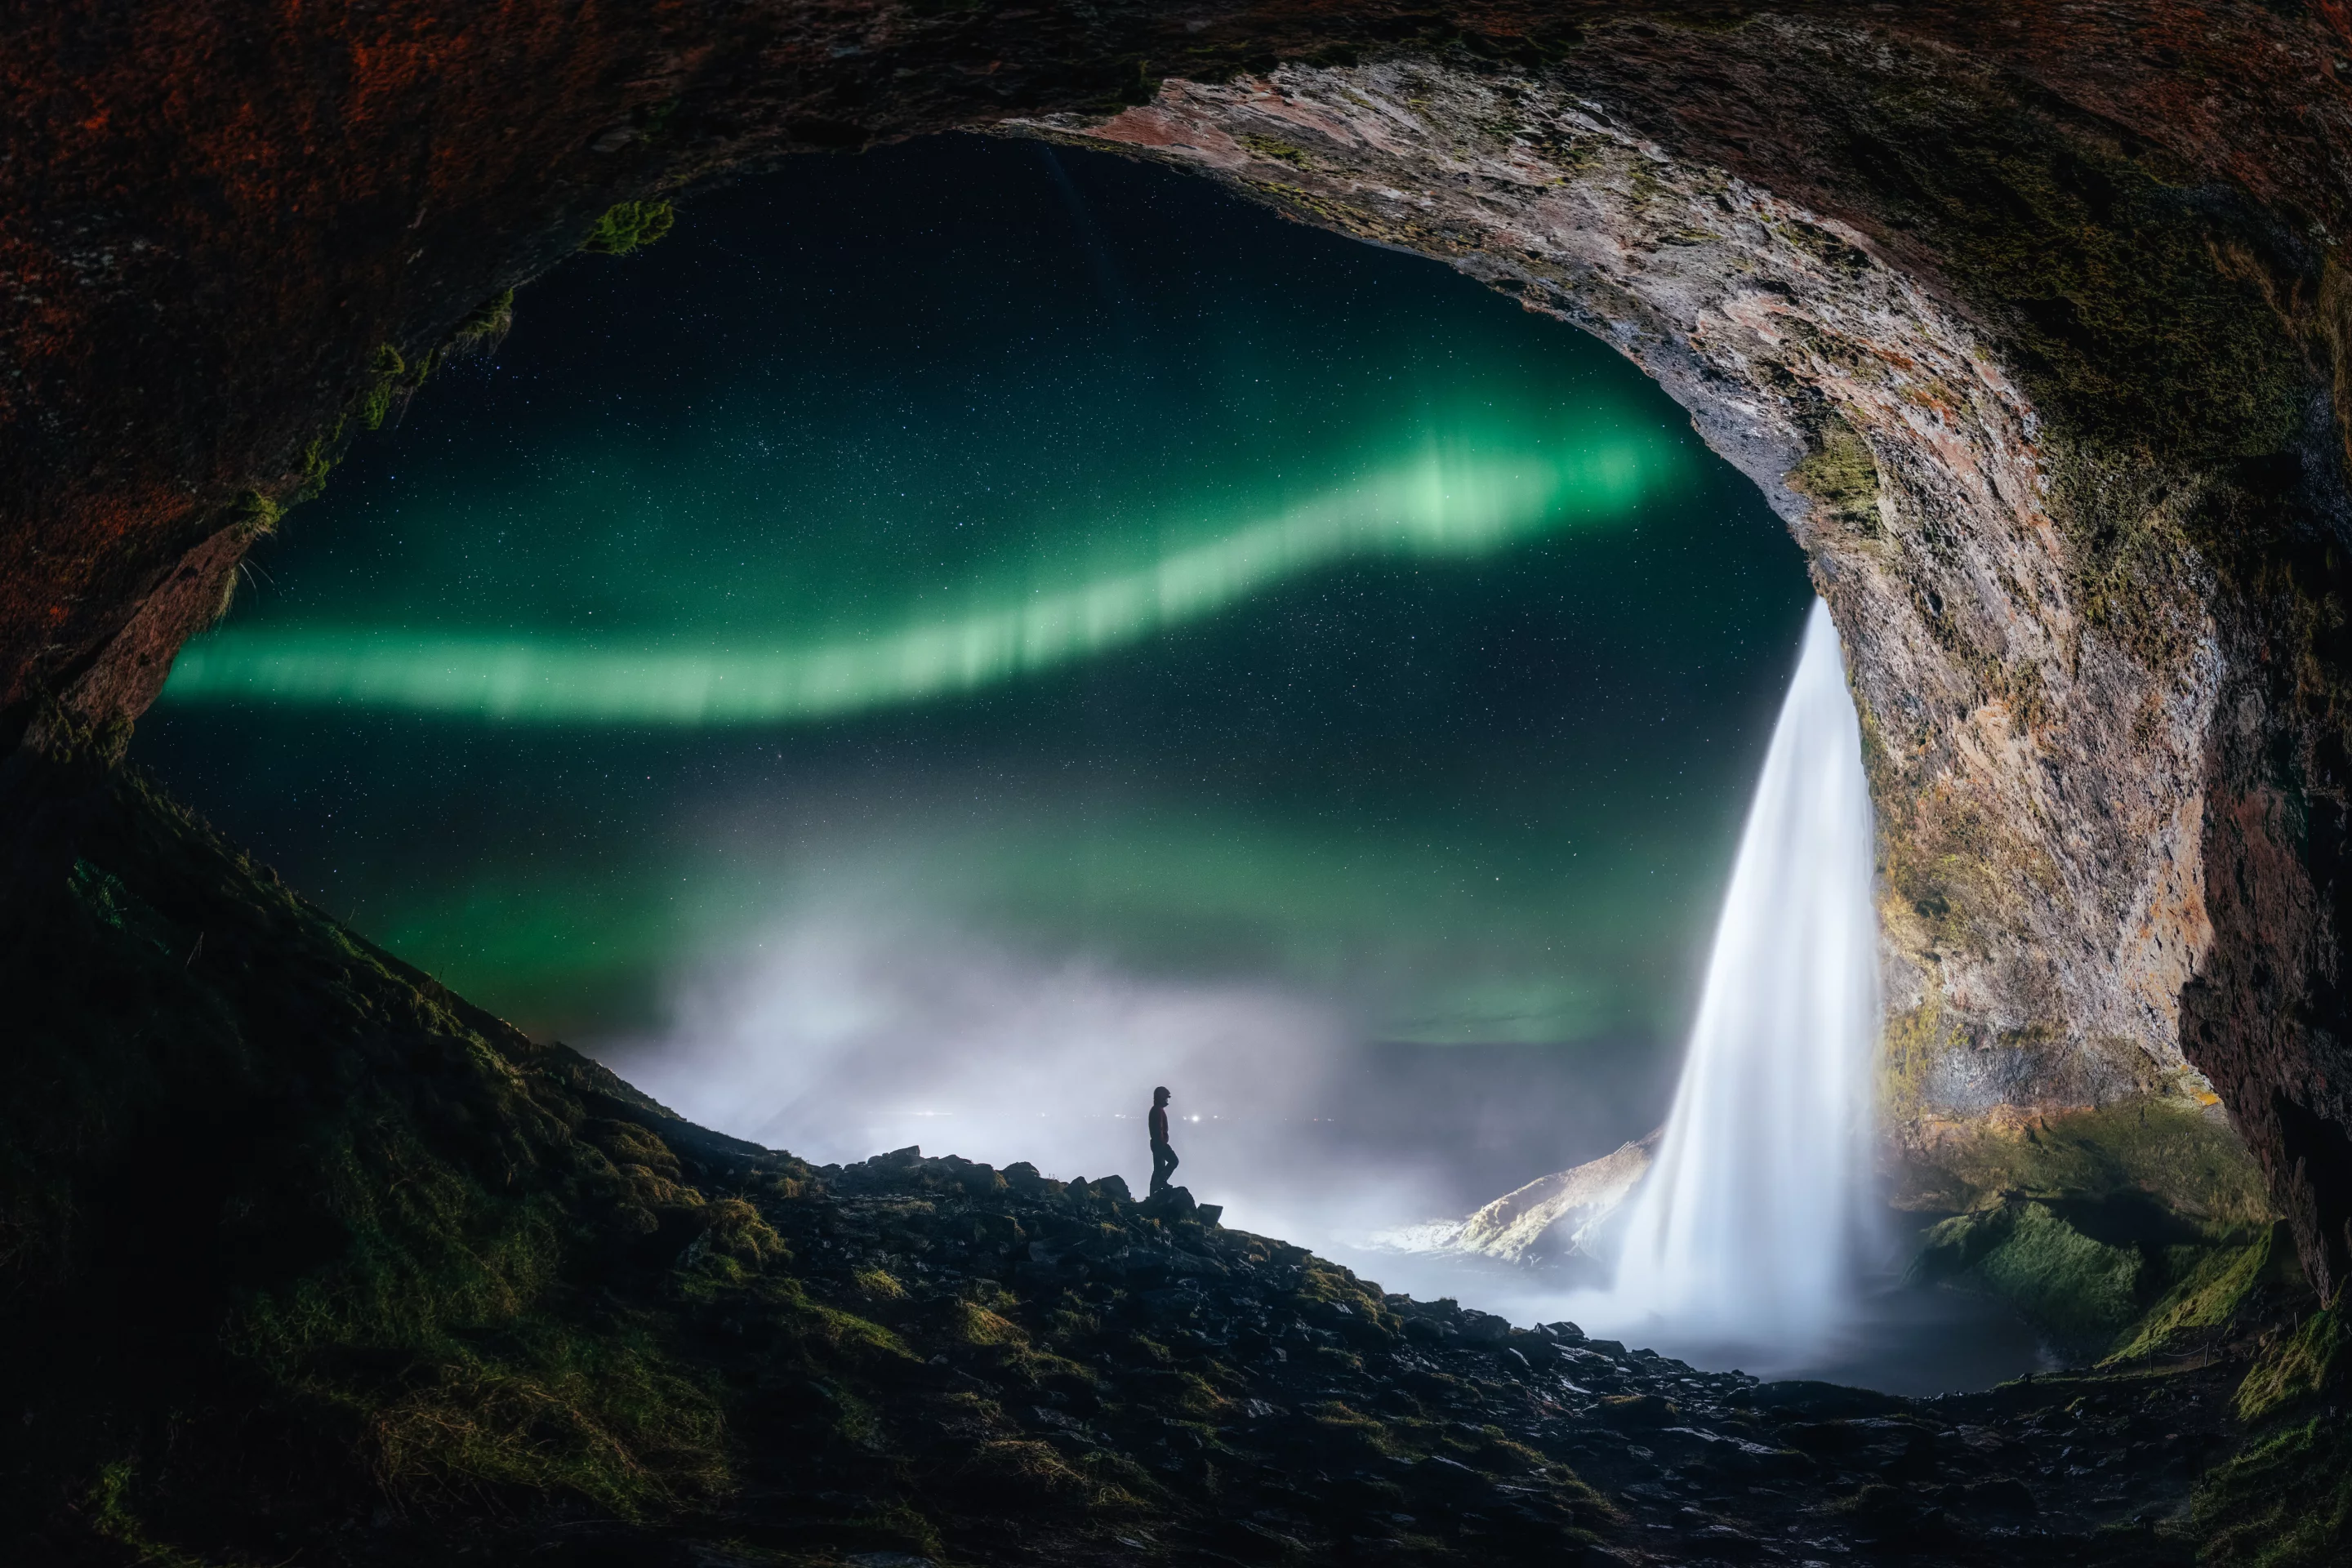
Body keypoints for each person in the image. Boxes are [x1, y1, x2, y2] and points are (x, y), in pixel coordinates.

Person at [1147, 1085, 1180, 1195]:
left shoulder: (1157, 1110)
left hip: (1157, 1143)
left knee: (1158, 1169)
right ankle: (1161, 1182)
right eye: (1165, 1098)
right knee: (1174, 1161)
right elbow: (1158, 1129)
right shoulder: (1157, 1110)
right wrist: (1162, 1144)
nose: (1167, 1100)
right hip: (1159, 1143)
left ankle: (1154, 1192)